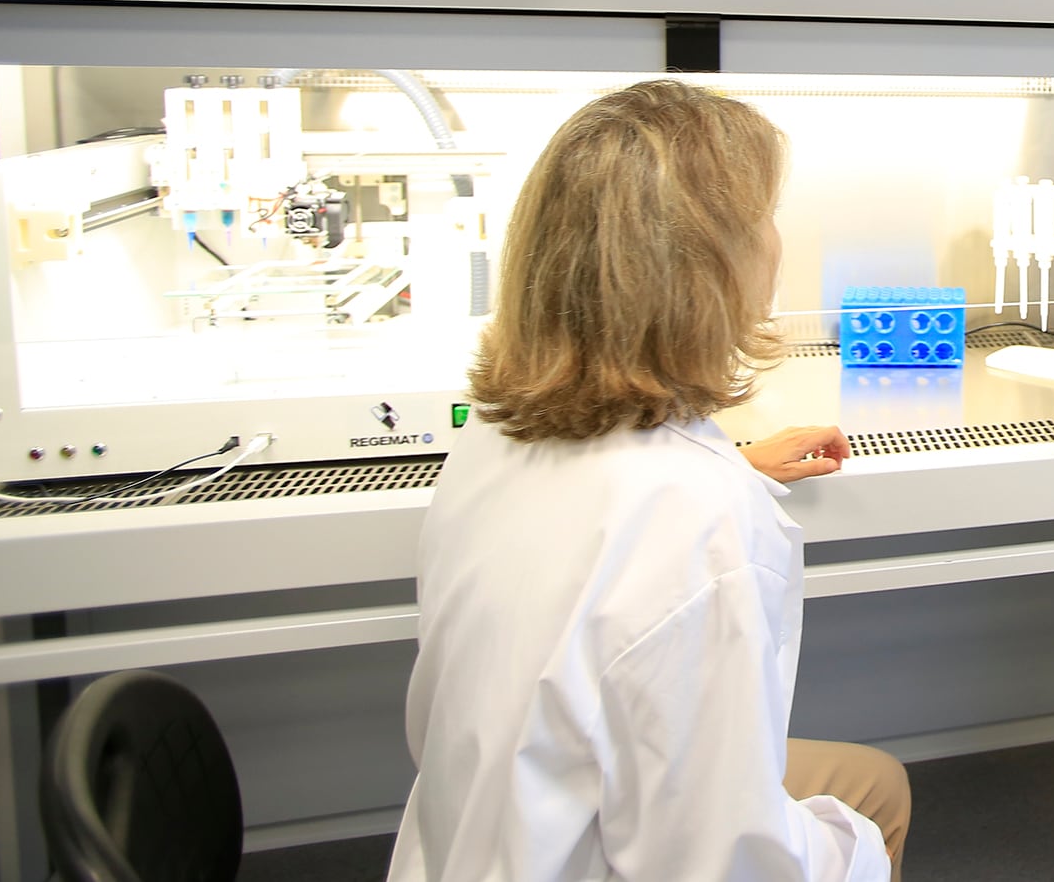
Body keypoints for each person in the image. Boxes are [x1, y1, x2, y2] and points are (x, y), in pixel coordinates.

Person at [387, 80, 909, 882]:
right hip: (591, 858)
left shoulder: (496, 429)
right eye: (764, 217)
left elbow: (596, 546)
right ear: (706, 268)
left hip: (469, 836)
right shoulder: (704, 523)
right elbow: (725, 863)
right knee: (875, 804)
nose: (776, 239)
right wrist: (854, 852)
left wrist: (724, 461)